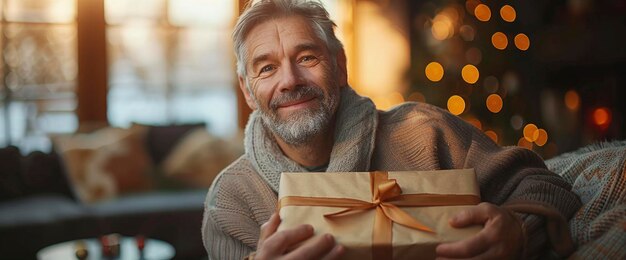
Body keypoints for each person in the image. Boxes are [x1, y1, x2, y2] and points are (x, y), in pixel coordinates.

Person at [202, 0, 581, 259]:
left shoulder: (425, 133)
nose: (289, 80)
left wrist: (518, 229)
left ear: (340, 66)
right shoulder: (230, 202)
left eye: (307, 57)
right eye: (266, 68)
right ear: (248, 91)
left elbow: (549, 186)